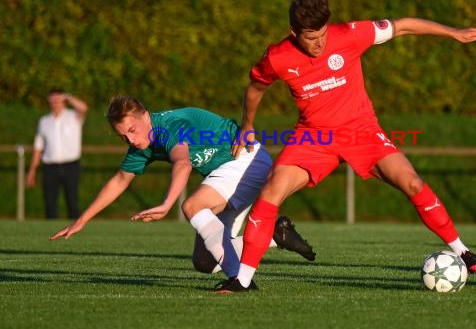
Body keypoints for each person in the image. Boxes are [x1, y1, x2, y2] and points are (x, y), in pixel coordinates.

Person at [215, 0, 476, 293]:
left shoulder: (349, 34)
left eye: (323, 34)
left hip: (361, 132)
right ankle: (242, 280)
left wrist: (453, 32)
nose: (320, 44)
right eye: (311, 38)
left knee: (412, 182)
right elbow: (255, 89)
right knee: (271, 190)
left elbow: (401, 25)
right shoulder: (277, 57)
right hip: (314, 137)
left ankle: (464, 253)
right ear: (293, 33)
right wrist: (247, 125)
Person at [49, 95, 316, 280]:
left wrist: (167, 204)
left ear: (145, 115)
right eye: (123, 136)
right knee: (205, 262)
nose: (130, 139)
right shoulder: (143, 143)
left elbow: (182, 163)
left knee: (192, 206)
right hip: (229, 171)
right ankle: (277, 236)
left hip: (245, 159)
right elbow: (120, 180)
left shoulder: (168, 127)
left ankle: (239, 281)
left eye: (132, 129)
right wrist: (82, 220)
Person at [26, 88, 89, 219]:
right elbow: (38, 147)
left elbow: (84, 108)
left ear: (63, 100)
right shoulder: (44, 121)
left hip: (71, 165)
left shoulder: (73, 116)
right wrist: (32, 171)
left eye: (58, 100)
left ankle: (74, 231)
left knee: (72, 201)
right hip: (50, 167)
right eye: (52, 100)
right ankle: (50, 235)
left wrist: (68, 96)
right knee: (49, 203)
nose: (55, 103)